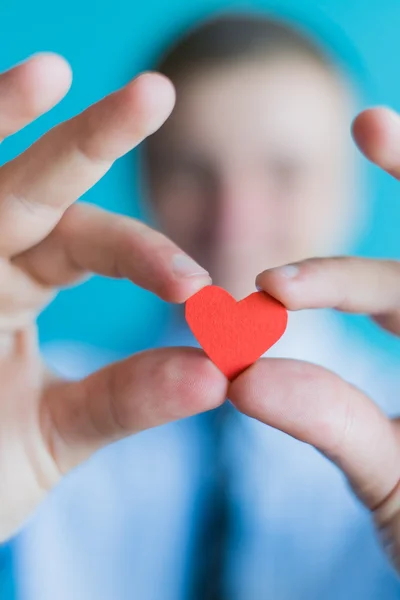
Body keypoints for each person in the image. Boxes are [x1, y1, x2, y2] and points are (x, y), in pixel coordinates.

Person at [1, 12, 400, 600]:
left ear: (353, 188)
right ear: (146, 183)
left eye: (284, 172)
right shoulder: (31, 402)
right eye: (193, 170)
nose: (234, 220)